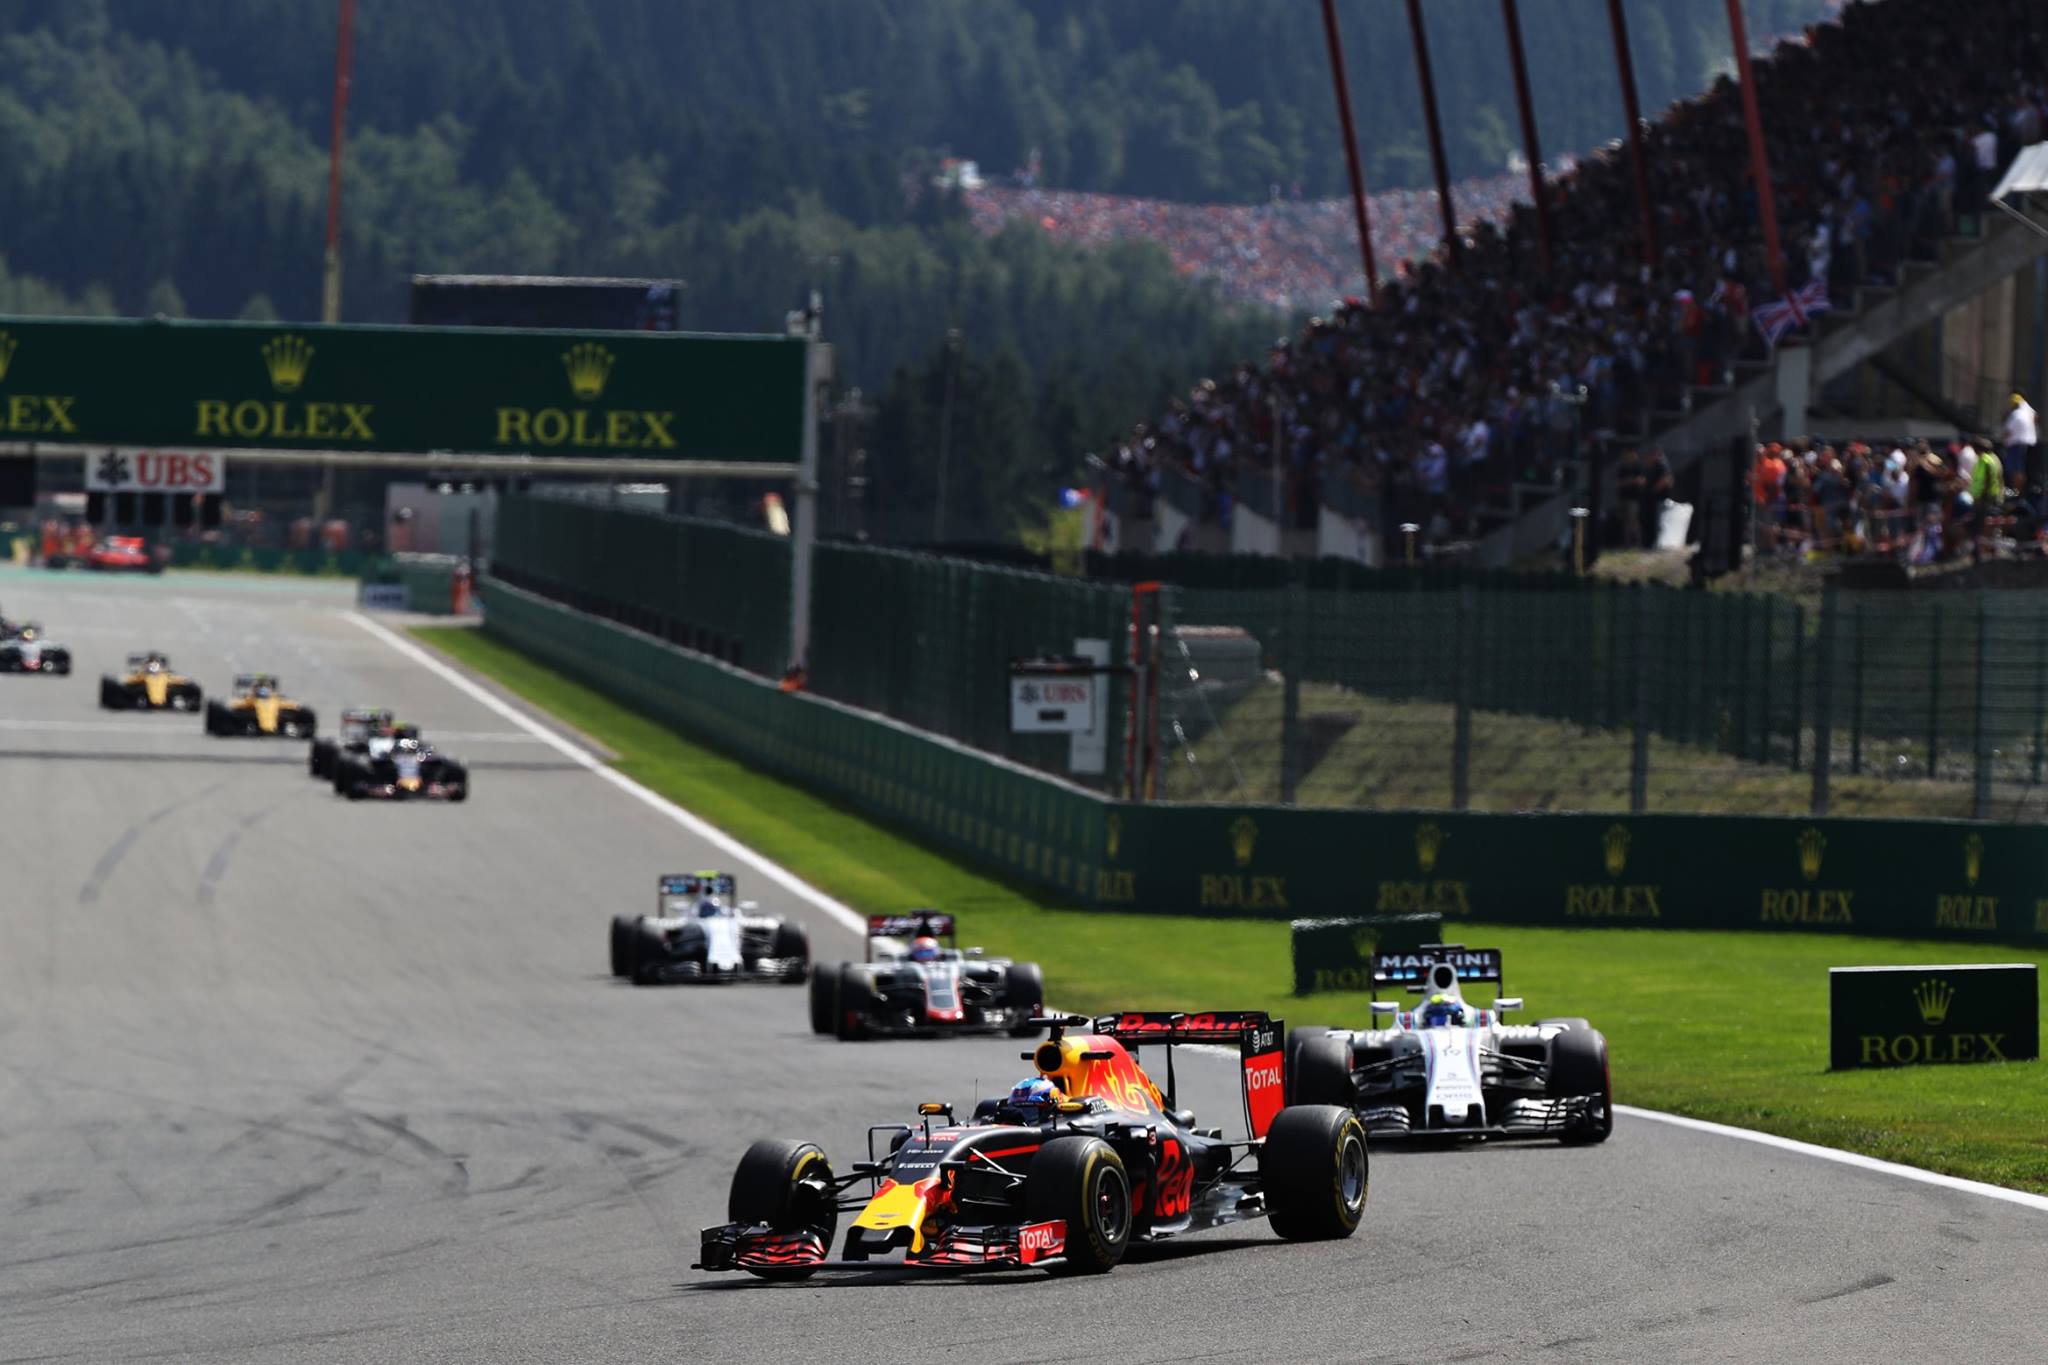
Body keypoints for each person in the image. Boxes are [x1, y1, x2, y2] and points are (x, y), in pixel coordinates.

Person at [2003, 392, 2037, 487]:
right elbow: (2035, 417)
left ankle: (2017, 489)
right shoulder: (2028, 412)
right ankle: (2021, 490)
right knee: (2021, 469)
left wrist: (2004, 440)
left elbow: (2008, 431)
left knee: (2016, 469)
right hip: (2028, 443)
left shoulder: (2016, 414)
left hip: (2016, 444)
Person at [1616, 449, 1646, 547]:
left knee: (1633, 521)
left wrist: (1629, 481)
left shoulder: (1638, 467)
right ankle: (1626, 543)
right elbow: (1619, 483)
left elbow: (1641, 480)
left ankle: (1637, 543)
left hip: (1634, 498)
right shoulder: (1623, 468)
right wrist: (1631, 481)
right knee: (1625, 521)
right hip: (1623, 497)